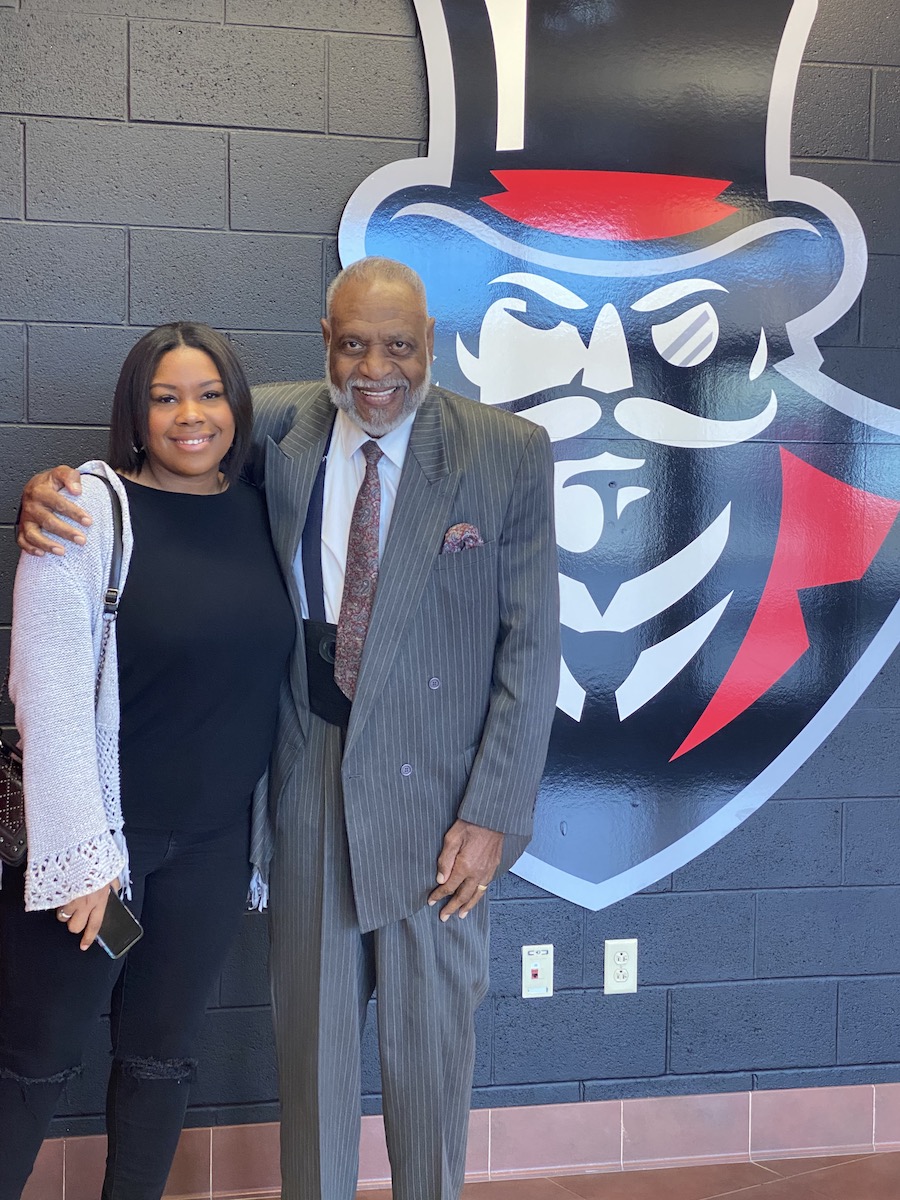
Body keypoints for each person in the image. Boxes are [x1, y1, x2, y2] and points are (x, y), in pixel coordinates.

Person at [17, 258, 559, 1200]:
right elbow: (157, 465)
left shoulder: (505, 450)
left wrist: (496, 812)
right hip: (303, 783)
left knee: (432, 1053)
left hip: (439, 807)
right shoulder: (273, 423)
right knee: (310, 1059)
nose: (376, 368)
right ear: (325, 345)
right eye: (354, 345)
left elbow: (532, 644)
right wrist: (49, 492)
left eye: (398, 344)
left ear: (432, 342)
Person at [1, 323, 294, 1200]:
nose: (190, 416)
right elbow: (44, 692)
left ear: (237, 408)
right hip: (103, 854)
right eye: (166, 397)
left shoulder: (264, 506)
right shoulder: (87, 510)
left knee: (162, 1059)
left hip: (212, 851)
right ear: (136, 411)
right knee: (34, 1062)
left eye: (208, 394)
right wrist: (82, 857)